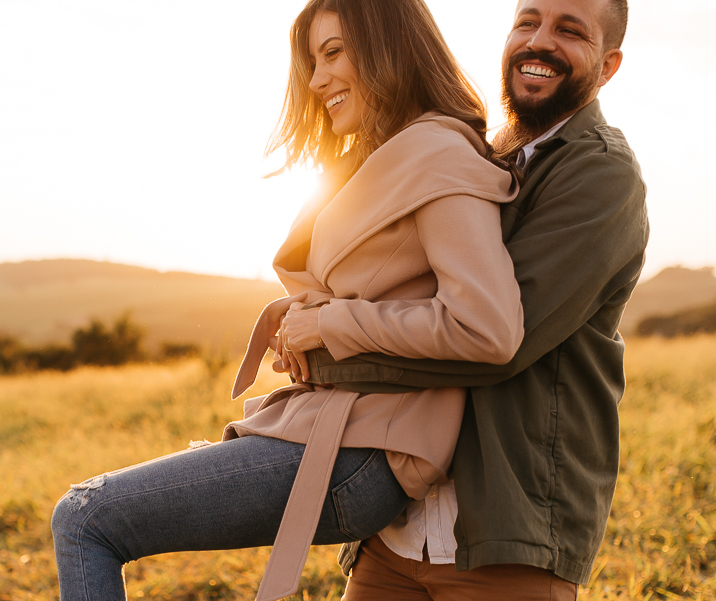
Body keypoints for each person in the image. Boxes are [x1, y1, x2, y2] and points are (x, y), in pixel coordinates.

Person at [50, 1, 524, 600]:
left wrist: (328, 324)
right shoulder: (384, 157)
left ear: (388, 47)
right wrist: (310, 319)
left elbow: (487, 326)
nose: (317, 79)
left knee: (86, 518)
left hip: (369, 445)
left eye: (333, 53)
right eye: (311, 63)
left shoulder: (437, 154)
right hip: (340, 426)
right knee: (87, 516)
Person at [295, 0, 649, 599]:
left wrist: (326, 338)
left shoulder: (602, 175)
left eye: (569, 30)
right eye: (527, 22)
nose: (539, 41)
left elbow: (490, 342)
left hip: (507, 540)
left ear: (608, 65)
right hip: (397, 529)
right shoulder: (477, 152)